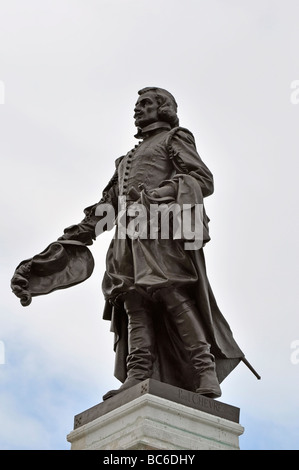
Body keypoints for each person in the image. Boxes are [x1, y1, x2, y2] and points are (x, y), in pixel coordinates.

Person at [11, 87, 259, 401]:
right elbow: (106, 207)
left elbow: (201, 179)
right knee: (133, 302)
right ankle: (138, 374)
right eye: (136, 105)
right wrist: (59, 248)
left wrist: (163, 192)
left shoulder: (175, 138)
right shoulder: (124, 160)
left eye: (145, 104)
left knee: (170, 293)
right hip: (125, 240)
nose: (137, 110)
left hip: (158, 231)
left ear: (164, 108)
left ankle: (204, 371)